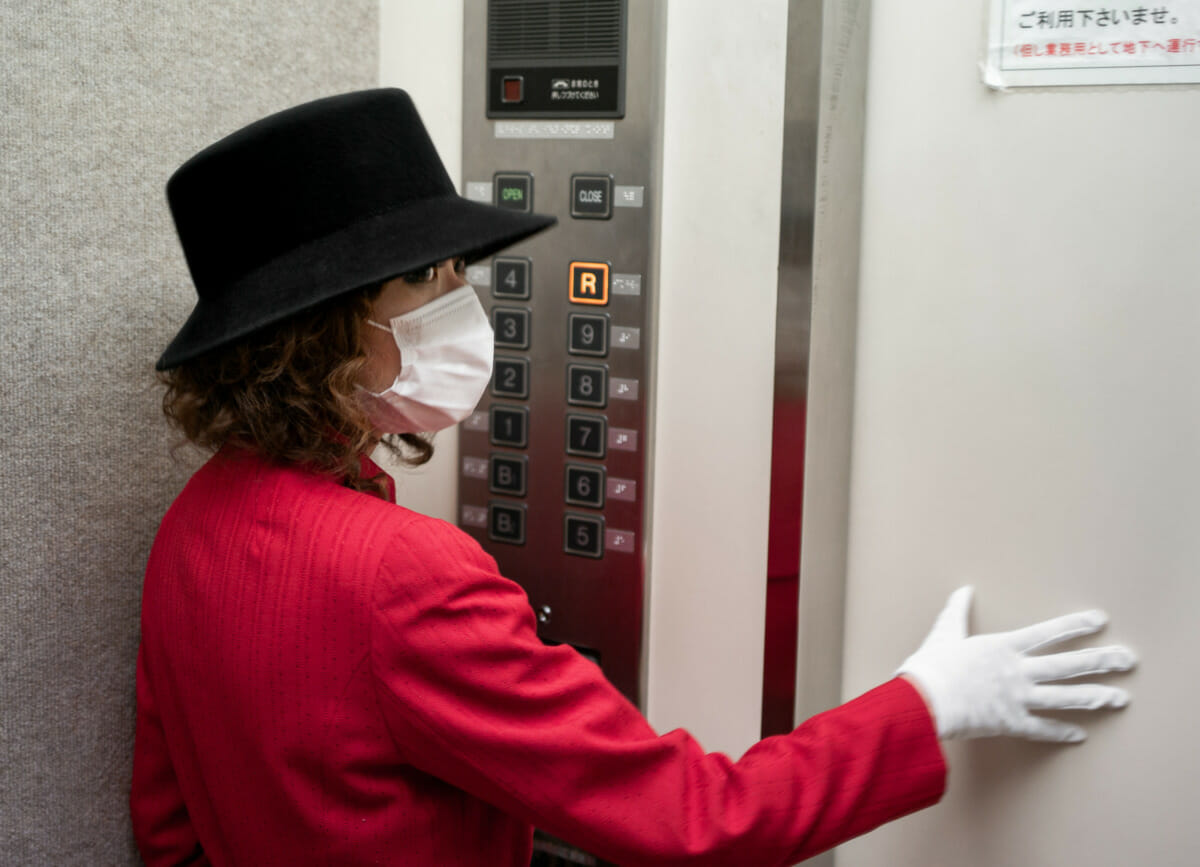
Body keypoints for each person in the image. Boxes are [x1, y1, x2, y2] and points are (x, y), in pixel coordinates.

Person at [132, 89, 1137, 867]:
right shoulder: (406, 574)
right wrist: (926, 703)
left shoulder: (196, 525)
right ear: (330, 335)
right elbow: (698, 823)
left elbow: (170, 831)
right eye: (430, 280)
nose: (461, 301)